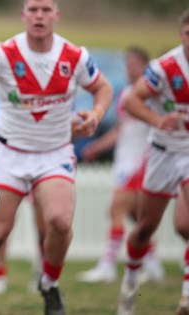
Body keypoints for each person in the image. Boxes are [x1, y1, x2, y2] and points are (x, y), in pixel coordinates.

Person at [0, 0, 114, 314]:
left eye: (46, 10)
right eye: (33, 9)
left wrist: (97, 113)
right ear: (23, 16)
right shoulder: (5, 52)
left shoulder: (74, 56)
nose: (39, 16)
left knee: (60, 222)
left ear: (56, 16)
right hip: (8, 154)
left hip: (54, 153)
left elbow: (103, 87)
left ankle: (49, 284)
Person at [117, 9, 189, 315]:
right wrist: (158, 120)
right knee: (145, 227)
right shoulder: (165, 67)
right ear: (181, 34)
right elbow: (131, 101)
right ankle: (130, 285)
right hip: (162, 151)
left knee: (187, 225)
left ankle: (186, 296)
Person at [76, 47, 166, 285]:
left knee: (116, 209)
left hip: (141, 160)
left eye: (134, 63)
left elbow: (160, 125)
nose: (129, 68)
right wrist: (97, 147)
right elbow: (120, 130)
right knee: (138, 217)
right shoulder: (127, 92)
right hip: (125, 159)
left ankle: (107, 265)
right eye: (127, 63)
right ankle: (154, 265)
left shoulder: (155, 94)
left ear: (147, 66)